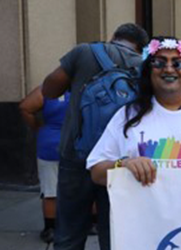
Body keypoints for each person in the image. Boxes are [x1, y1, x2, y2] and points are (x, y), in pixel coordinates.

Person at [41, 23, 148, 250]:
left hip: (76, 155)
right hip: (119, 163)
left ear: (113, 37)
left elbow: (49, 91)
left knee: (69, 233)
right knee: (114, 233)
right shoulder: (146, 66)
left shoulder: (84, 53)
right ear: (141, 47)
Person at [87, 36, 181, 187]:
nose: (169, 69)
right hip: (145, 213)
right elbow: (96, 171)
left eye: (178, 63)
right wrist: (124, 164)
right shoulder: (127, 115)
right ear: (149, 71)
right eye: (159, 63)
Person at [19, 86, 70, 243]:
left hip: (49, 143)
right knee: (86, 186)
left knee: (50, 190)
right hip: (77, 143)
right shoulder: (86, 88)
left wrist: (38, 127)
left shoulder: (47, 89)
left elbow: (25, 107)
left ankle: (51, 229)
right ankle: (92, 224)